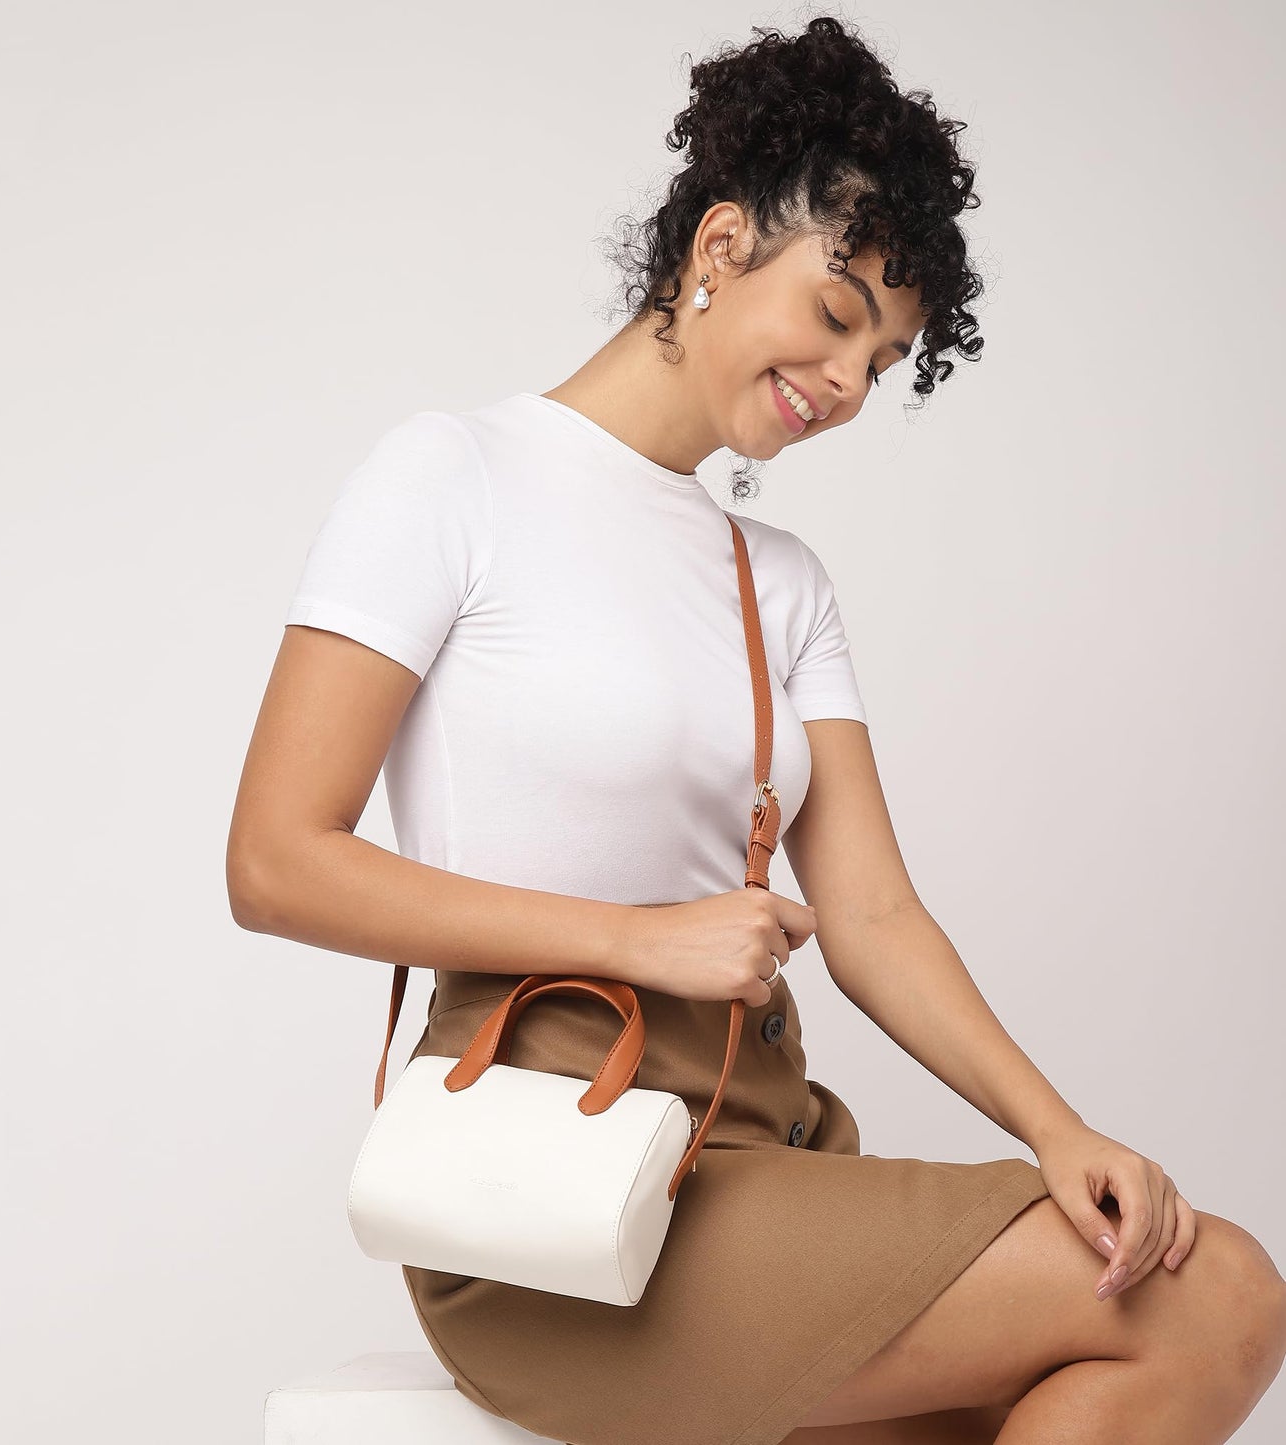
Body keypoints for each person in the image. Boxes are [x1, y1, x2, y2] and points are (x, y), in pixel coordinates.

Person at [227, 14, 1286, 1444]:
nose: (849, 384)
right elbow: (275, 860)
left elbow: (875, 916)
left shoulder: (777, 581)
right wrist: (639, 940)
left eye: (886, 361)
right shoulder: (453, 477)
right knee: (1214, 1296)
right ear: (719, 245)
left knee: (1123, 1357)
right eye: (838, 316)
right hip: (556, 1184)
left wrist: (1057, 1130)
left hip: (755, 1134)